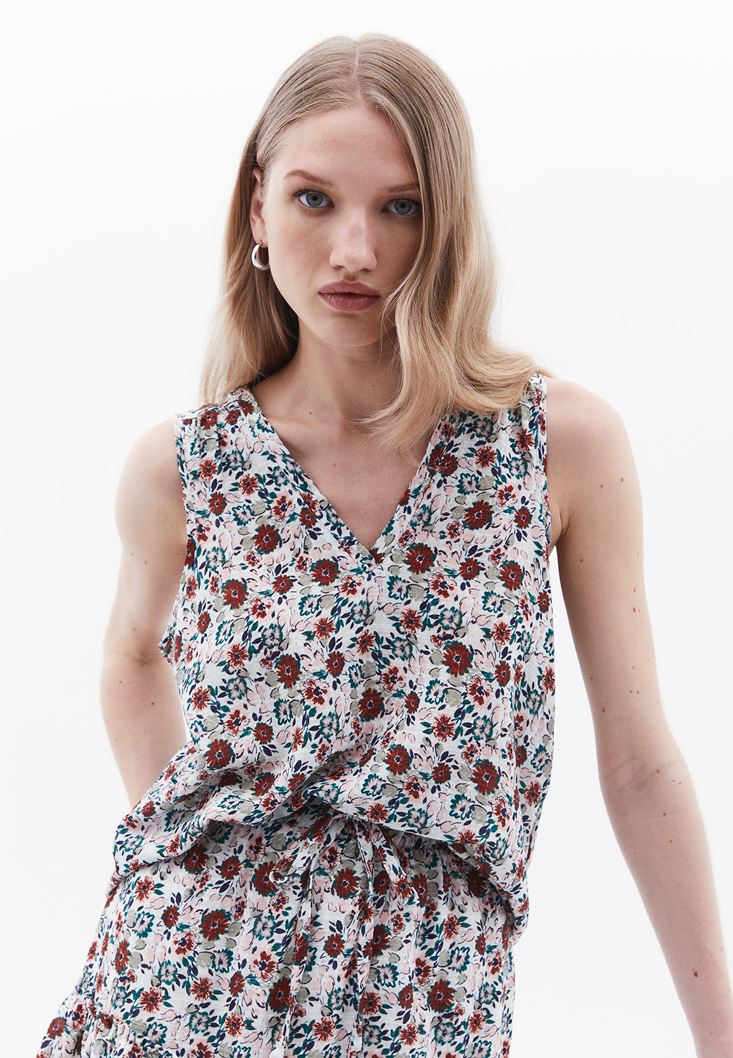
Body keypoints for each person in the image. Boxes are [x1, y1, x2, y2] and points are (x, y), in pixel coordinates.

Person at [36, 31, 732, 1058]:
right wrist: (193, 838)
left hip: (429, 1002)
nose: (354, 249)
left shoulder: (554, 446)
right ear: (258, 209)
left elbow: (637, 760)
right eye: (314, 199)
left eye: (399, 207)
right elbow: (128, 655)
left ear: (445, 221)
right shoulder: (185, 466)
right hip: (184, 986)